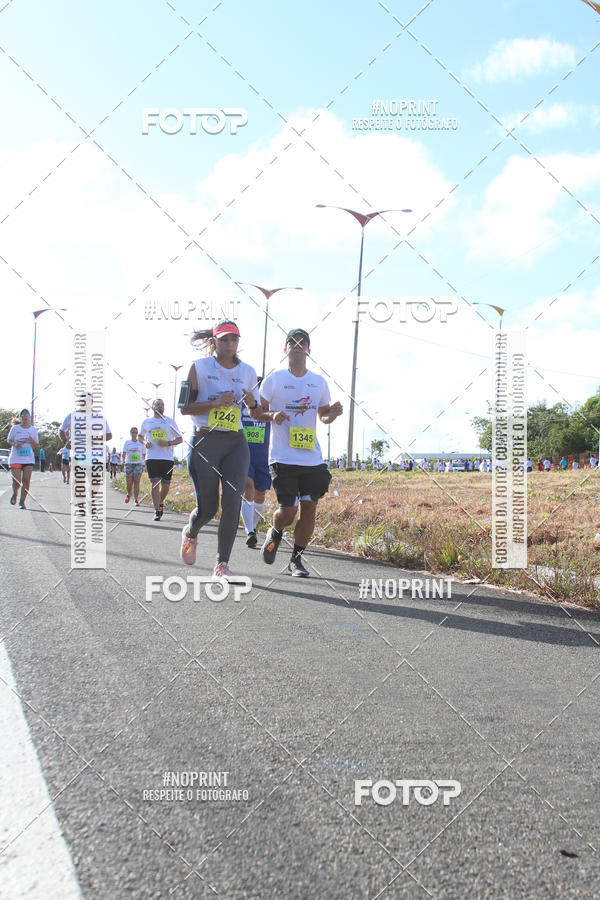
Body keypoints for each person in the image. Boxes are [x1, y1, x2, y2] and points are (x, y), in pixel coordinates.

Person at [253, 328, 343, 577]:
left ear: (309, 350)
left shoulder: (318, 382)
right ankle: (276, 530)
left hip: (311, 458)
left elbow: (322, 415)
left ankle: (297, 560)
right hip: (283, 457)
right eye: (292, 342)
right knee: (288, 512)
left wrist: (331, 414)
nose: (297, 345)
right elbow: (255, 411)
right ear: (285, 350)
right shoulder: (274, 380)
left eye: (302, 342)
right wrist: (272, 415)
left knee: (309, 508)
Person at [179, 320, 259, 577]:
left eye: (234, 339)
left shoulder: (248, 371)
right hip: (205, 441)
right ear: (214, 342)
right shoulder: (199, 367)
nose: (229, 344)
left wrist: (251, 403)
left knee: (233, 499)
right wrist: (214, 403)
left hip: (235, 441)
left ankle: (222, 564)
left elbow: (256, 411)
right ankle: (191, 531)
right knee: (208, 508)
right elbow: (184, 408)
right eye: (224, 339)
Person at [240, 379, 271, 548]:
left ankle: (253, 526)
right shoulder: (241, 405)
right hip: (244, 454)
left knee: (260, 494)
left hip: (263, 456)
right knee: (248, 487)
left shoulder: (267, 407)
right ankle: (249, 531)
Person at [139, 399, 182, 521]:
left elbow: (180, 439)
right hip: (152, 457)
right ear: (152, 407)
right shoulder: (147, 422)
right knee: (155, 484)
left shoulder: (169, 421)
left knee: (166, 485)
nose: (160, 406)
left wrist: (168, 443)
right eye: (158, 404)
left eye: (162, 404)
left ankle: (160, 501)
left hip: (167, 458)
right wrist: (145, 442)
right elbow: (140, 436)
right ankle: (157, 510)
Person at [7, 409, 39, 508]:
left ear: (29, 417)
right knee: (17, 480)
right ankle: (15, 492)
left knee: (26, 480)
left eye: (27, 415)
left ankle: (22, 502)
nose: (25, 417)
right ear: (20, 418)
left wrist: (31, 440)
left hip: (28, 459)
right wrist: (15, 444)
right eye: (23, 415)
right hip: (16, 458)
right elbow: (9, 440)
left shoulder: (33, 430)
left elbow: (35, 445)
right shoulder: (15, 428)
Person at [122, 427, 146, 505]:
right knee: (129, 482)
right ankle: (129, 493)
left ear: (137, 434)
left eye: (136, 432)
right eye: (133, 432)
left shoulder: (141, 444)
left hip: (138, 464)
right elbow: (124, 453)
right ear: (130, 433)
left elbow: (143, 454)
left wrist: (143, 464)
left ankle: (136, 500)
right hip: (129, 463)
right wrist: (123, 463)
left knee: (136, 482)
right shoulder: (127, 442)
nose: (134, 434)